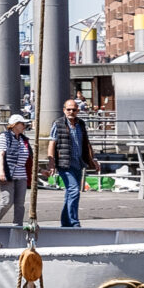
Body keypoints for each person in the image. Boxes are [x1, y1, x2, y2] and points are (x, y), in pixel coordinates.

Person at [52, 97, 97, 228]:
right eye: (69, 109)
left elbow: (86, 142)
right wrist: (51, 161)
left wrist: (92, 159)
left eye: (74, 110)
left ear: (78, 111)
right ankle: (74, 222)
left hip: (78, 162)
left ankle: (65, 222)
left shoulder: (80, 124)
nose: (71, 112)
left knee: (70, 193)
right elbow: (52, 142)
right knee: (74, 190)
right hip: (64, 162)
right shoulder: (58, 123)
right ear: (64, 110)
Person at [0, 113, 33, 232]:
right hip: (8, 174)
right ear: (15, 125)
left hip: (21, 175)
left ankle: (18, 227)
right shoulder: (5, 136)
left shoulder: (23, 139)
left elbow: (30, 158)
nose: (24, 126)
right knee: (7, 201)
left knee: (20, 204)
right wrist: (1, 172)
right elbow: (1, 154)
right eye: (22, 124)